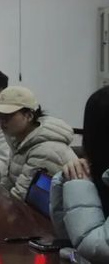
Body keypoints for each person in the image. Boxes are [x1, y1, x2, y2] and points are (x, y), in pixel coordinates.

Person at [50, 86, 109, 263]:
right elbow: (68, 237)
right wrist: (65, 179)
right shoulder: (94, 170)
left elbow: (97, 248)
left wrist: (78, 184)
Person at [0, 86, 76, 200]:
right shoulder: (19, 141)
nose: (2, 121)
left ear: (29, 116)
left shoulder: (45, 151)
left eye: (8, 115)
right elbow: (7, 184)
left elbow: (21, 197)